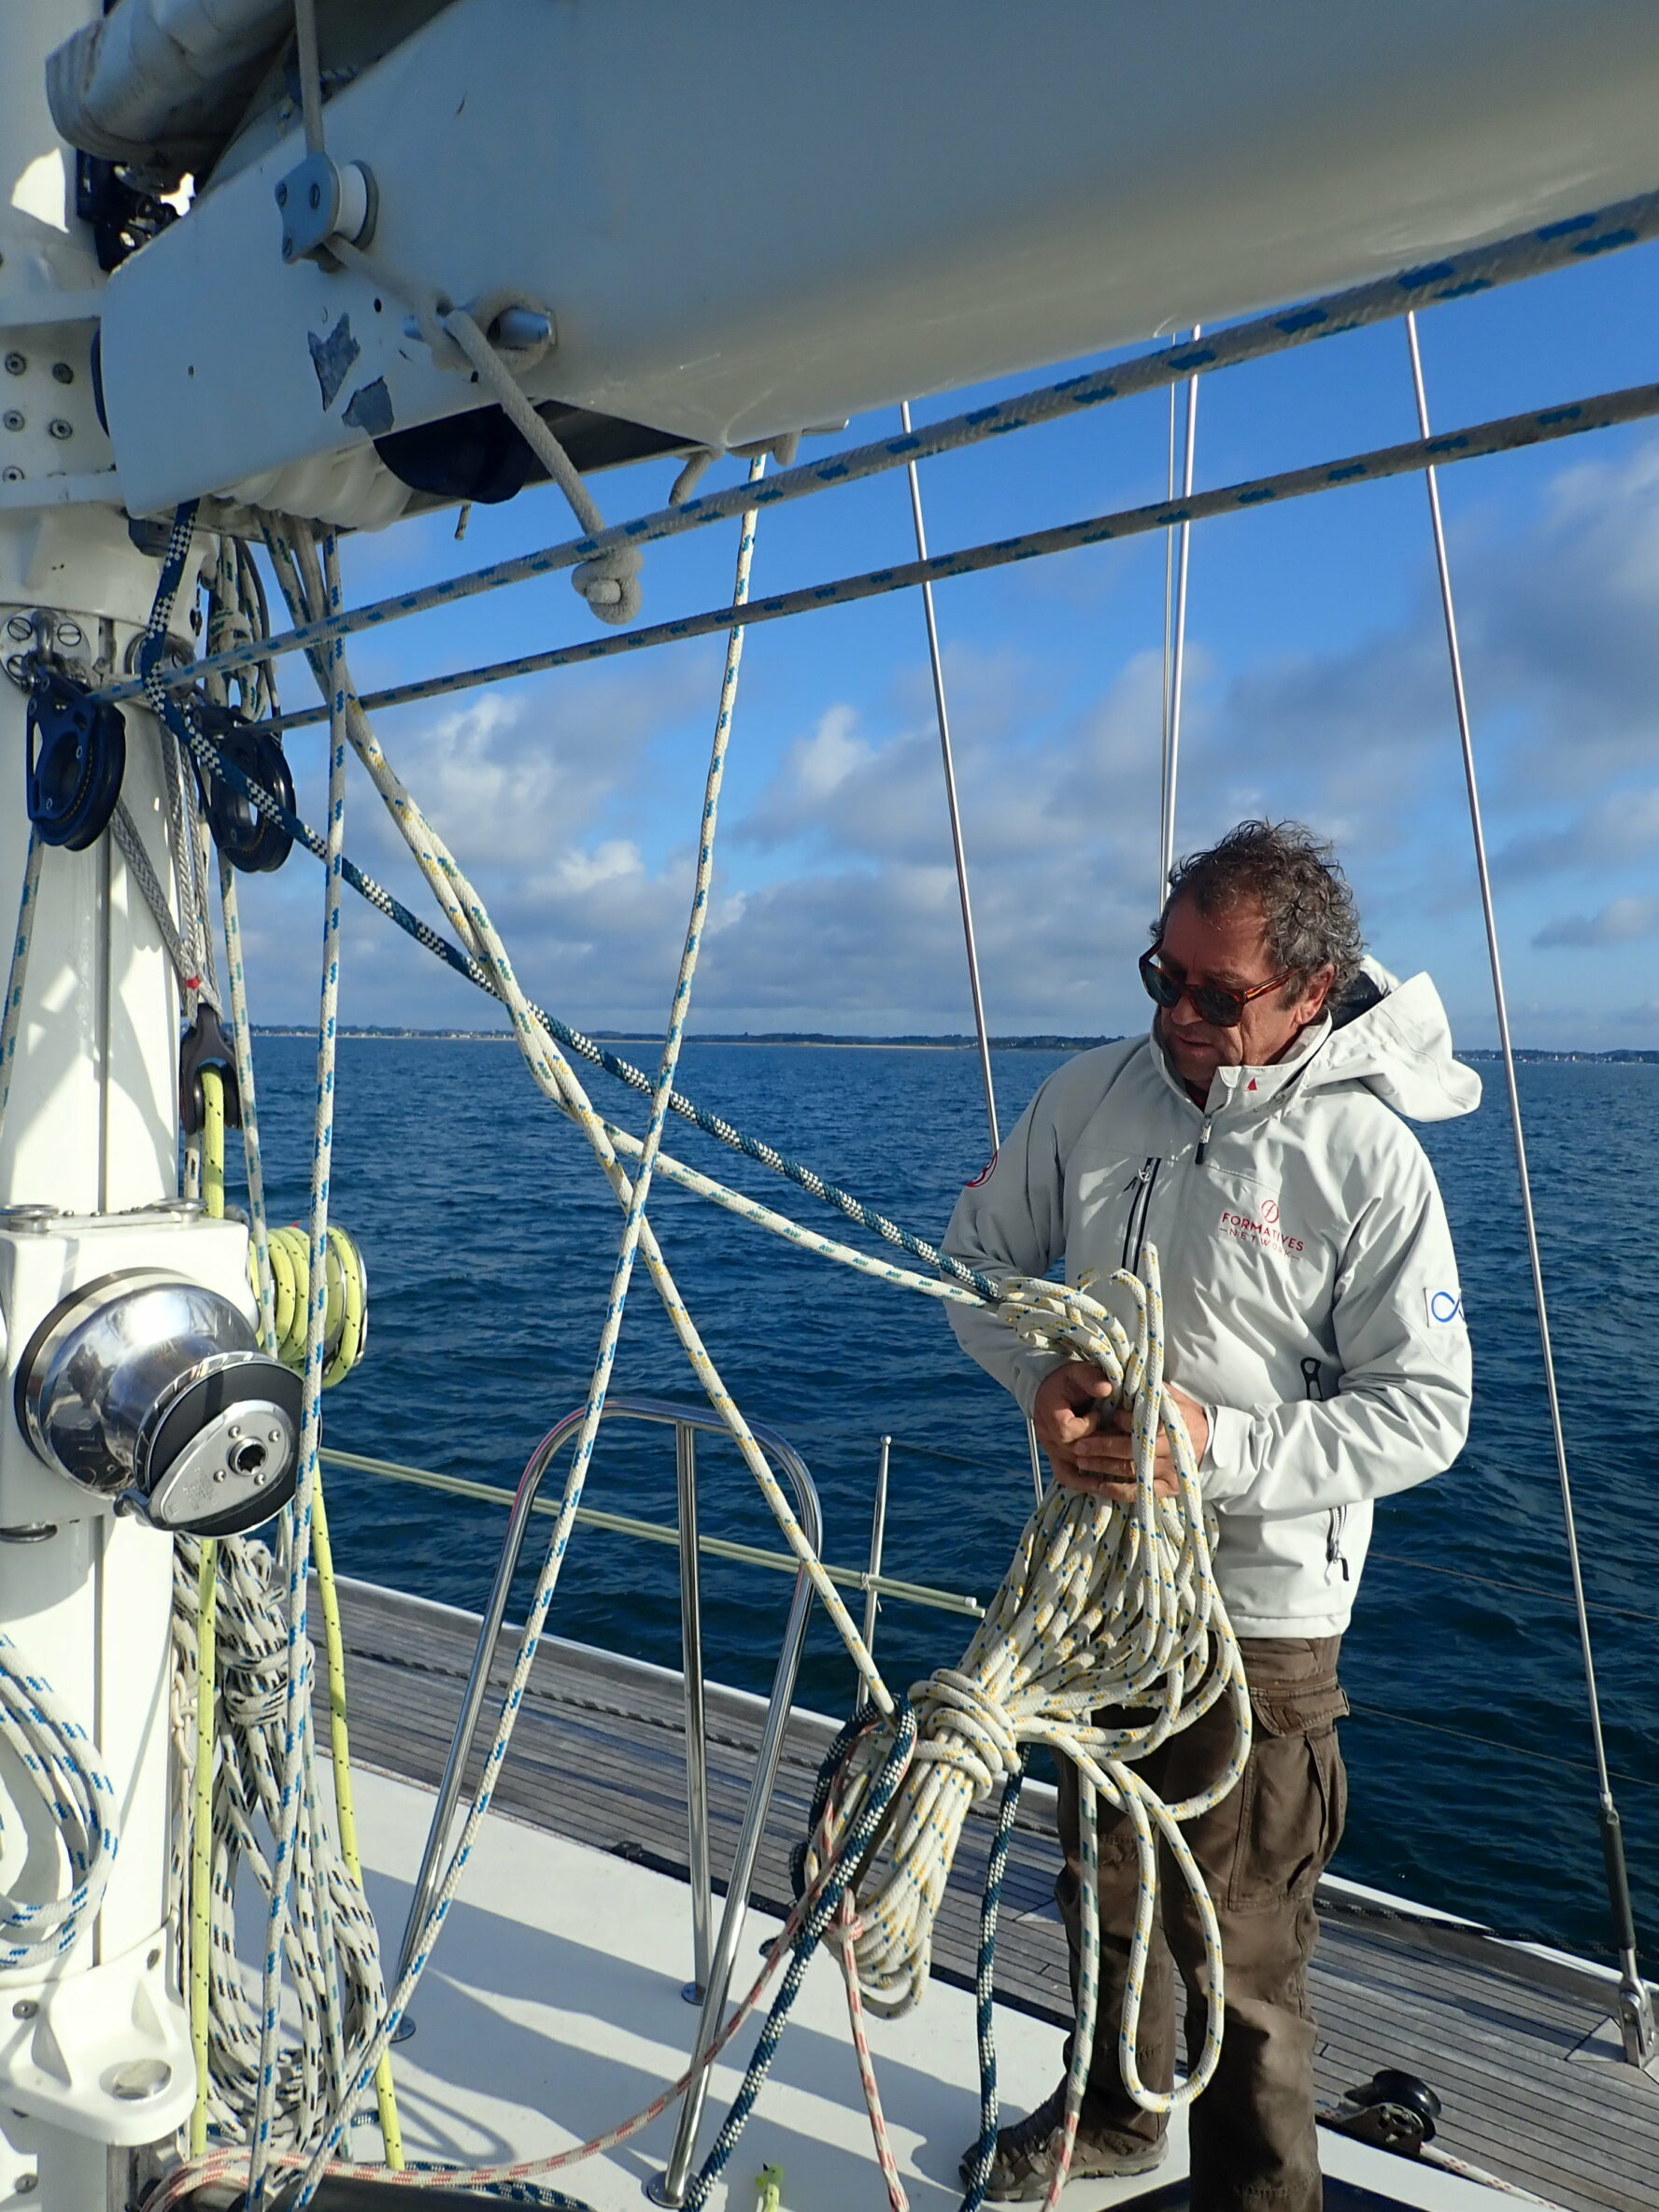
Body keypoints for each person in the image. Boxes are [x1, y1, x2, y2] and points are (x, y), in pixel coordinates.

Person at [943, 820, 1477, 2210]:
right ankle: (1118, 2117)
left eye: (1214, 994)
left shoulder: (1369, 1165)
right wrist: (1039, 1374)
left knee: (1243, 1949)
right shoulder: (1089, 1097)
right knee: (1104, 1885)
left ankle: (1257, 2199)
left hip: (1265, 1623)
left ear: (1313, 991)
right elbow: (977, 1262)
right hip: (1108, 1593)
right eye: (1159, 976)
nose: (1176, 1014)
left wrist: (1212, 1447)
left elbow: (1428, 1410)